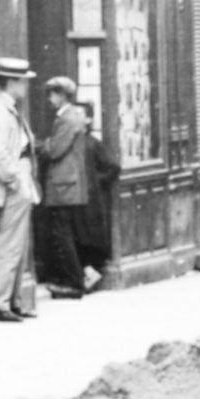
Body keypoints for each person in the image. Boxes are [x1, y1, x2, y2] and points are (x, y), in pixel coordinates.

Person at [0, 58, 38, 322]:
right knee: (10, 244)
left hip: (20, 177)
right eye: (23, 81)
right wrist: (15, 181)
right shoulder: (1, 111)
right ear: (12, 82)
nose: (25, 86)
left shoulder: (8, 108)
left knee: (18, 244)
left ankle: (11, 301)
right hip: (14, 180)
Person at [33, 75, 92, 299]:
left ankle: (74, 283)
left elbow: (55, 150)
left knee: (62, 234)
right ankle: (71, 280)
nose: (49, 98)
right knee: (64, 233)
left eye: (52, 94)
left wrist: (40, 144)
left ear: (62, 95)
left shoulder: (67, 118)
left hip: (63, 185)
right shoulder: (72, 115)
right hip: (67, 184)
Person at [73, 101, 123, 289]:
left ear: (88, 120)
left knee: (86, 236)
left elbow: (113, 167)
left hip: (90, 201)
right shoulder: (72, 141)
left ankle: (89, 273)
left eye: (79, 115)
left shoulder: (92, 144)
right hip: (76, 197)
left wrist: (94, 181)